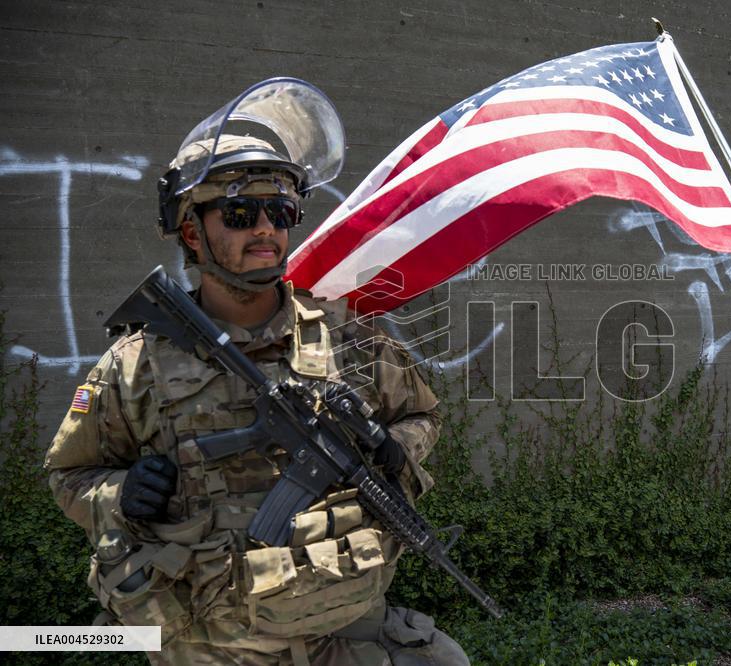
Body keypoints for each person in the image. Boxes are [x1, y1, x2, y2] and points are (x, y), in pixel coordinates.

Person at [45, 80, 470, 665]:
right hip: (208, 646)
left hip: (338, 634)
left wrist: (396, 448)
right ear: (193, 233)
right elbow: (70, 476)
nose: (266, 229)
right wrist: (122, 494)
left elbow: (423, 414)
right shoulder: (134, 364)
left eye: (282, 211)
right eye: (241, 213)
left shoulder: (348, 339)